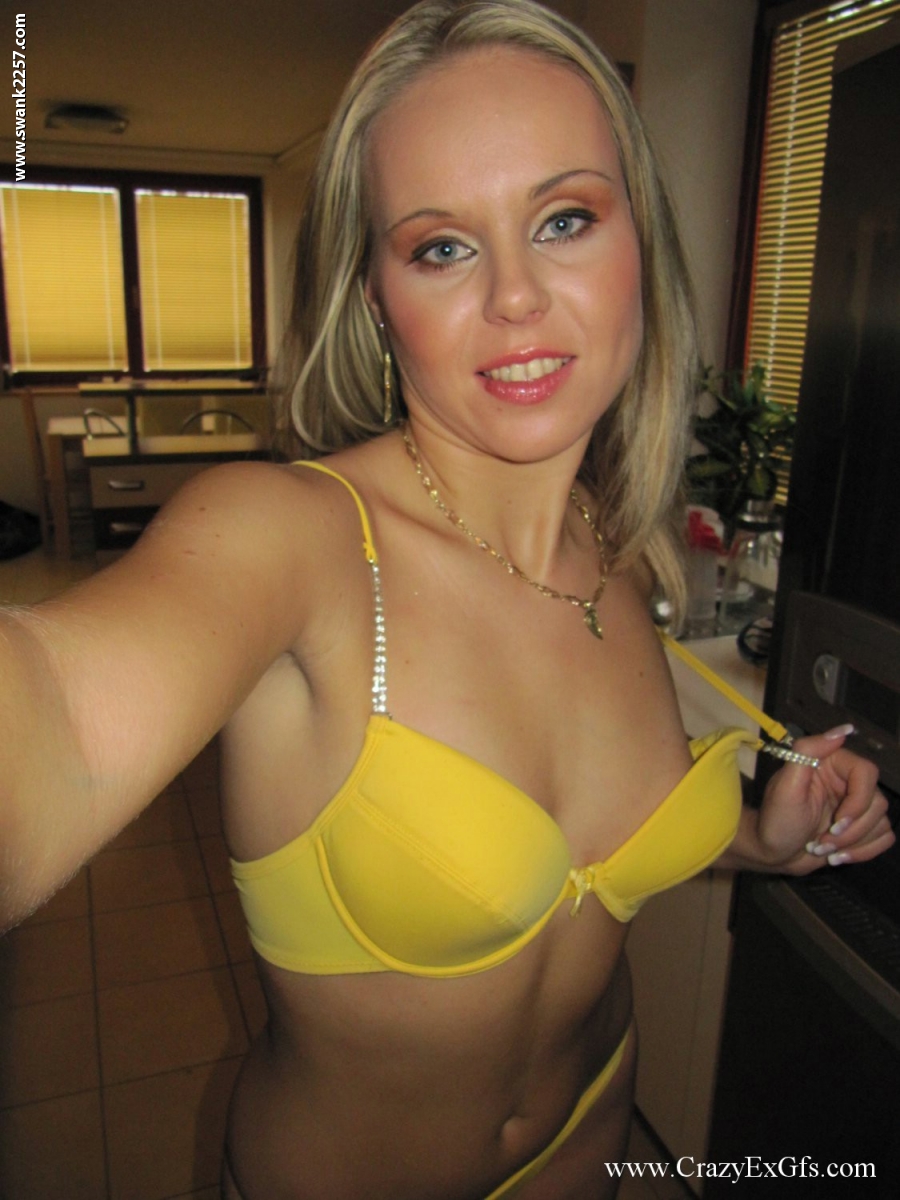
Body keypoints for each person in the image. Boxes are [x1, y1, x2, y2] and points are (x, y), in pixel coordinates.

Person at [1, 2, 893, 1197]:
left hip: (592, 1137)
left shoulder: (620, 550)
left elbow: (602, 829)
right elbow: (52, 712)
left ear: (640, 243)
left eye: (564, 220)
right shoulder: (293, 540)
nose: (516, 296)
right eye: (441, 247)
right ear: (376, 297)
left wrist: (757, 839)